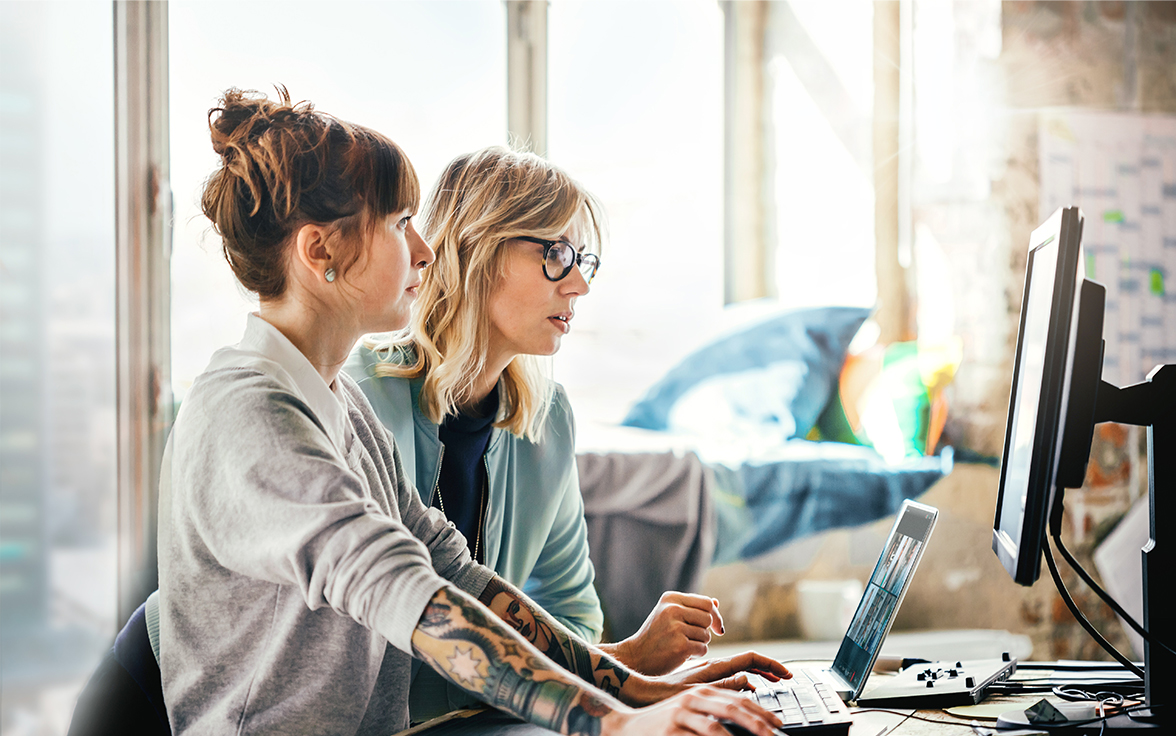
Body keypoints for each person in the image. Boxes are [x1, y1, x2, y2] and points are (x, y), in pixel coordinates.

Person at [156, 87, 787, 736]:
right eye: (401, 225)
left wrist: (637, 690)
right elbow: (404, 591)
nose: (426, 252)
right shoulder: (252, 413)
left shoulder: (335, 404)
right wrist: (618, 724)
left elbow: (452, 571)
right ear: (322, 253)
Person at [345, 147, 743, 719]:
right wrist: (624, 672)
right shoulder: (359, 397)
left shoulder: (546, 417)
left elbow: (574, 615)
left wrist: (626, 672)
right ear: (476, 250)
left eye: (583, 258)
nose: (579, 283)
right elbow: (379, 639)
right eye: (556, 254)